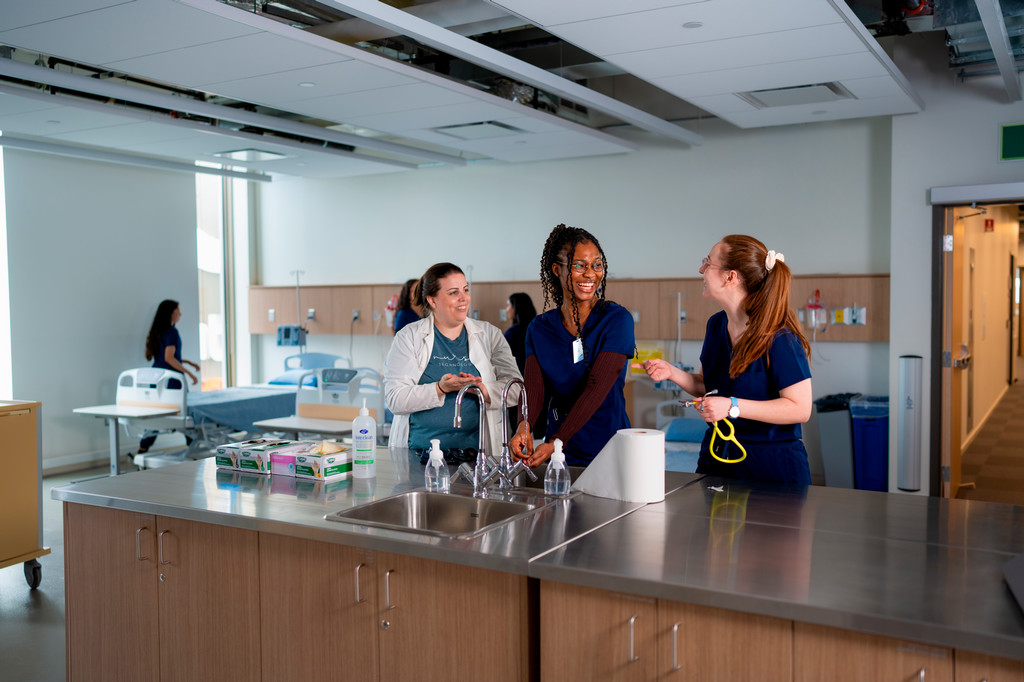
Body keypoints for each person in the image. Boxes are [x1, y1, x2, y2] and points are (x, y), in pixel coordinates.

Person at [634, 235, 813, 485]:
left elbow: (800, 408)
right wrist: (671, 372)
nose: (701, 269)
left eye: (708, 263)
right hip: (718, 458)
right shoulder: (717, 325)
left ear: (731, 277)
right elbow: (709, 387)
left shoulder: (779, 336)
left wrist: (731, 406)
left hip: (771, 467)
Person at [509, 224, 635, 468]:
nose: (590, 274)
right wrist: (524, 425)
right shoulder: (540, 328)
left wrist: (557, 440)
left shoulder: (616, 320)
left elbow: (595, 389)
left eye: (597, 265)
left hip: (608, 449)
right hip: (558, 453)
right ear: (558, 269)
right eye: (579, 265)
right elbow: (534, 389)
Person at [384, 263, 521, 454]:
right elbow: (395, 399)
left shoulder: (490, 335)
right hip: (420, 455)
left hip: (479, 455)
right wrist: (440, 388)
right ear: (432, 300)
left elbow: (516, 390)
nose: (464, 298)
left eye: (465, 290)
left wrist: (482, 389)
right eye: (453, 292)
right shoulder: (409, 337)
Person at [138, 299, 200, 453]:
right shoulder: (172, 332)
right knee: (185, 413)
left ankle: (143, 447)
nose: (180, 314)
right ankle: (192, 445)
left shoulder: (158, 331)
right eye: (178, 310)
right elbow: (169, 358)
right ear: (171, 313)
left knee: (157, 415)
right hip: (172, 381)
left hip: (156, 378)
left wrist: (189, 363)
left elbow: (164, 357)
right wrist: (190, 373)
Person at [503, 292, 544, 439]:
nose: (506, 309)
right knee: (541, 433)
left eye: (508, 305)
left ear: (516, 308)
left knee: (518, 432)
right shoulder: (540, 329)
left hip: (518, 387)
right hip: (542, 388)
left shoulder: (512, 334)